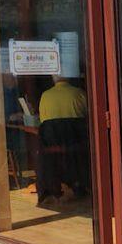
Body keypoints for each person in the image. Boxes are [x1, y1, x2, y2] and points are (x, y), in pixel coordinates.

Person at [36, 75, 89, 204]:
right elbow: (88, 115)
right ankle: (81, 185)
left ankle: (50, 189)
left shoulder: (45, 95)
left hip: (52, 145)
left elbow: (43, 120)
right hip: (76, 143)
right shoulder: (79, 93)